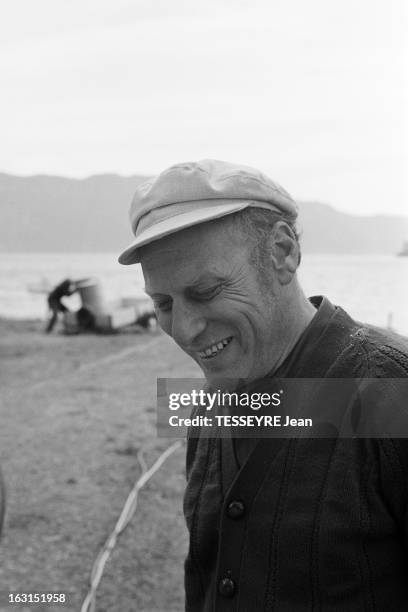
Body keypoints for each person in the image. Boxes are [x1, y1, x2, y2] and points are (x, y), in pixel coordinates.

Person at [118, 159, 408, 611]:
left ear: (282, 252)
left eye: (206, 291)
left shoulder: (393, 390)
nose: (186, 329)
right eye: (163, 303)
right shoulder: (209, 407)